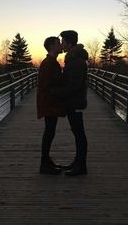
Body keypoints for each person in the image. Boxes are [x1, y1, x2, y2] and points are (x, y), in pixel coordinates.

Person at [53, 30, 88, 176]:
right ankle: (78, 163)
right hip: (73, 102)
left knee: (79, 134)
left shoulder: (77, 61)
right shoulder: (73, 59)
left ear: (69, 42)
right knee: (77, 133)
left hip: (76, 102)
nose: (61, 44)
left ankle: (81, 166)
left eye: (63, 42)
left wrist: (56, 92)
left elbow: (74, 85)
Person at [37, 36, 65, 175]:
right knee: (49, 132)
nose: (61, 46)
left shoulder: (51, 62)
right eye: (58, 43)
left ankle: (47, 161)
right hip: (49, 103)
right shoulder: (49, 63)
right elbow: (48, 85)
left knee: (50, 131)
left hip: (50, 102)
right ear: (52, 46)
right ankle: (44, 164)